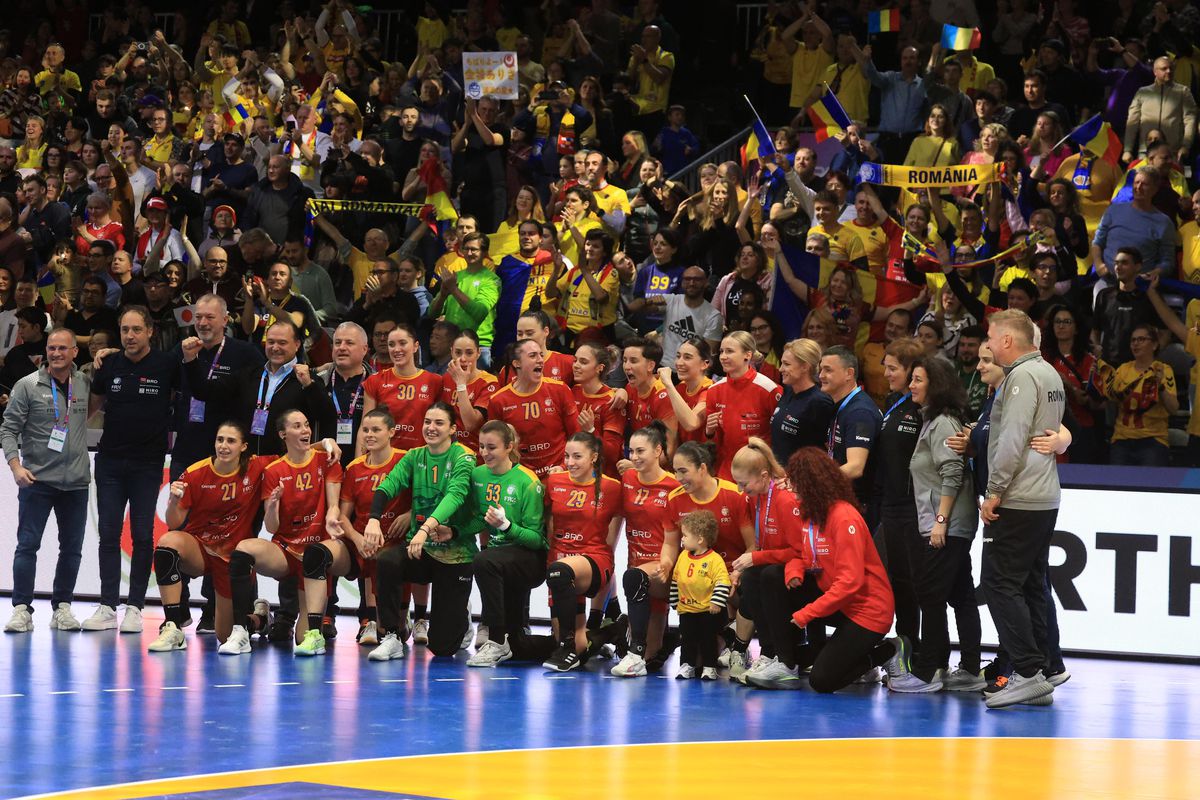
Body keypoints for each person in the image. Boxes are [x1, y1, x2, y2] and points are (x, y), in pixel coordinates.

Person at [747, 447, 905, 692]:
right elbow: (802, 554)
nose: (790, 488)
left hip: (867, 612)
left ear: (811, 484)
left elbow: (850, 583)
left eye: (795, 482)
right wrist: (794, 573)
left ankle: (887, 651)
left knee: (822, 681)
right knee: (770, 576)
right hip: (838, 602)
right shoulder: (812, 514)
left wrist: (806, 614)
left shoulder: (844, 518)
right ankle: (785, 664)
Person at [978, 310, 1066, 708]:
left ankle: (1028, 672)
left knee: (1000, 583)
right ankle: (1046, 668)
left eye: (993, 339)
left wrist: (994, 490)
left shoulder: (1020, 378)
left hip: (1019, 496)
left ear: (1008, 341)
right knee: (1031, 582)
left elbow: (1012, 440)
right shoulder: (1049, 373)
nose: (990, 346)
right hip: (1044, 495)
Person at [888, 357, 982, 693]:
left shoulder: (942, 422)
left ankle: (930, 671)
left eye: (917, 379)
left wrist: (940, 521)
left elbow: (952, 473)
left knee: (929, 592)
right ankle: (970, 667)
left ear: (936, 384)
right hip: (947, 522)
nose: (910, 385)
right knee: (959, 594)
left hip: (948, 523)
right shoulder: (933, 420)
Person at [83, 307, 180, 634]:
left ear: (150, 331)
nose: (130, 336)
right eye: (125, 330)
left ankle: (135, 607)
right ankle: (108, 605)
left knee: (142, 536)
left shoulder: (167, 364)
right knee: (108, 535)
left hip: (148, 464)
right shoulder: (109, 364)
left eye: (136, 329)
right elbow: (91, 407)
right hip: (109, 462)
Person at [219, 410, 343, 655]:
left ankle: (269, 622)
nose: (305, 430)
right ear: (283, 434)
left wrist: (331, 515)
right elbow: (272, 528)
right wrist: (273, 505)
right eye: (297, 426)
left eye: (307, 425)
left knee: (302, 640)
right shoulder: (274, 470)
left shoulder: (325, 459)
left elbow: (334, 504)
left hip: (317, 553)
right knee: (244, 549)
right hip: (286, 551)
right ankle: (241, 630)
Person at [362, 402, 478, 659]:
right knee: (388, 560)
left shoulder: (464, 457)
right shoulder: (414, 456)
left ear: (452, 429)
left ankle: (461, 615)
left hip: (456, 554)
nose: (431, 428)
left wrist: (425, 528)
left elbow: (456, 495)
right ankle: (392, 635)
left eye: (438, 423)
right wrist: (373, 519)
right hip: (421, 550)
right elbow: (388, 485)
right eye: (427, 422)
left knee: (443, 648)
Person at [148, 422, 277, 651]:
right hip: (200, 548)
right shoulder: (196, 473)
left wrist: (326, 443)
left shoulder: (256, 467)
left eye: (231, 441)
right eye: (220, 440)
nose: (224, 446)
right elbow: (174, 522)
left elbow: (295, 455)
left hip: (232, 559)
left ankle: (260, 618)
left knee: (224, 636)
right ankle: (173, 626)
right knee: (167, 543)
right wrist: (174, 501)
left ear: (244, 446)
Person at [1, 329, 90, 633]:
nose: (56, 354)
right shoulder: (26, 386)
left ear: (75, 352)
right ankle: (22, 609)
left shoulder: (85, 383)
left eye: (63, 348)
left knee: (72, 549)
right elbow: (8, 429)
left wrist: (105, 354)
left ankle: (62, 607)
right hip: (37, 480)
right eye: (52, 348)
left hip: (76, 482)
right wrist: (15, 466)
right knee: (27, 546)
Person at [663, 441, 754, 672]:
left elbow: (754, 545)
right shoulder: (674, 499)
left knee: (755, 582)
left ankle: (741, 646)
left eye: (683, 471)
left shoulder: (734, 495)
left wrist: (737, 572)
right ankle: (724, 637)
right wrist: (665, 564)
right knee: (701, 660)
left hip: (733, 572)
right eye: (675, 471)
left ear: (702, 468)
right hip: (697, 579)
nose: (678, 477)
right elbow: (670, 544)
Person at [183, 320, 335, 457]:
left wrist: (309, 385)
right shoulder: (249, 374)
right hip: (247, 464)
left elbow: (326, 416)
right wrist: (190, 360)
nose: (275, 348)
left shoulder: (308, 379)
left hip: (287, 467)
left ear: (297, 344)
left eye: (282, 343)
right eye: (270, 342)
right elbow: (205, 392)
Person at [465, 421, 548, 667]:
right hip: (499, 558)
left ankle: (496, 639)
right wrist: (453, 530)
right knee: (519, 645)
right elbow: (479, 521)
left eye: (492, 447)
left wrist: (506, 527)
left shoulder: (527, 481)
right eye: (481, 447)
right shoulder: (478, 475)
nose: (485, 453)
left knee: (483, 560)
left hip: (529, 559)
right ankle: (585, 642)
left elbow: (537, 540)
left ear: (509, 447)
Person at [539, 432, 624, 672]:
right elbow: (546, 521)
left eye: (577, 456)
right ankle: (610, 632)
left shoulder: (612, 487)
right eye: (567, 456)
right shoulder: (554, 482)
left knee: (560, 572)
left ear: (594, 457)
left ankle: (568, 647)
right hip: (559, 559)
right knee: (576, 645)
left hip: (594, 559)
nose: (570, 462)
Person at [611, 422, 682, 677]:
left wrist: (669, 564)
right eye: (631, 451)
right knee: (653, 656)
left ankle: (637, 653)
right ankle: (649, 647)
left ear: (658, 451)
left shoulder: (674, 486)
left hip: (665, 566)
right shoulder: (628, 478)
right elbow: (617, 514)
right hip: (636, 563)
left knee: (636, 579)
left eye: (641, 451)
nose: (634, 457)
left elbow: (681, 535)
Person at [336, 408, 411, 650]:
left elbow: (424, 497)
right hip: (364, 538)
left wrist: (410, 515)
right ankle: (368, 619)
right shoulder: (355, 467)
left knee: (389, 557)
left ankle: (404, 616)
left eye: (376, 430)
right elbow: (343, 517)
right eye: (365, 430)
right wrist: (357, 539)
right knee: (368, 550)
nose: (369, 434)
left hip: (397, 537)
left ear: (391, 432)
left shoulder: (406, 459)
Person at [870, 338, 924, 656]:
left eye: (893, 368)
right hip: (890, 504)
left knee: (909, 581)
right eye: (886, 367)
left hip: (912, 506)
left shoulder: (922, 407)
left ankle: (915, 649)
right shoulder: (894, 401)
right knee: (896, 579)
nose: (887, 373)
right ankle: (903, 644)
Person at [486, 338, 580, 477]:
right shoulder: (498, 401)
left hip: (559, 472)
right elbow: (496, 446)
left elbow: (576, 436)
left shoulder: (560, 390)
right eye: (532, 356)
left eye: (541, 355)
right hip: (521, 477)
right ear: (517, 363)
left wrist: (563, 466)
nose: (540, 360)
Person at [700, 331, 783, 480]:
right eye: (721, 351)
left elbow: (780, 436)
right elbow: (714, 442)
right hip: (727, 470)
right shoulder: (714, 390)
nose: (723, 356)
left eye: (729, 351)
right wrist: (709, 432)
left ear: (748, 355)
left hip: (760, 471)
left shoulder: (769, 389)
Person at [1096, 323, 1179, 466]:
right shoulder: (1123, 369)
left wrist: (1161, 386)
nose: (1136, 344)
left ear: (1154, 345)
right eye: (1133, 340)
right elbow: (1111, 399)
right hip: (1122, 439)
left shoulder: (1163, 370)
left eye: (1141, 339)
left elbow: (1174, 408)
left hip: (1153, 439)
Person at [361, 323, 444, 453]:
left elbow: (443, 426)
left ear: (415, 346)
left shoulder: (435, 381)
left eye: (402, 343)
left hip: (422, 459)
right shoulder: (375, 381)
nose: (396, 349)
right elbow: (365, 428)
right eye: (392, 344)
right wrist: (359, 463)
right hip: (385, 459)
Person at [819, 345, 883, 513]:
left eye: (828, 370)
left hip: (858, 506)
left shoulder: (859, 412)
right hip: (842, 499)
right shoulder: (841, 406)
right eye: (820, 370)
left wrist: (818, 481)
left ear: (849, 373)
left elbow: (855, 467)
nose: (821, 376)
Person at [670, 510, 730, 681]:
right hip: (687, 609)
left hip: (706, 611)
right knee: (687, 639)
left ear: (700, 539)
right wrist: (674, 601)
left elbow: (722, 581)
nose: (681, 539)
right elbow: (676, 579)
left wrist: (716, 602)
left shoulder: (714, 559)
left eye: (685, 535)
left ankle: (709, 666)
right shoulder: (683, 557)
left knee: (707, 640)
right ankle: (687, 665)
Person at [429, 232, 501, 368]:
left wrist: (454, 290)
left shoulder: (492, 279)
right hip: (452, 345)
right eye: (465, 248)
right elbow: (432, 314)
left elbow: (479, 312)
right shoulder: (456, 276)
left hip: (478, 346)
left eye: (474, 249)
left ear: (485, 252)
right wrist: (443, 294)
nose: (469, 253)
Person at [767, 338, 835, 466]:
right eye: (781, 363)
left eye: (787, 364)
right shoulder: (788, 391)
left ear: (805, 366)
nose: (780, 369)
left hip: (802, 479)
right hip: (778, 475)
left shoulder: (820, 402)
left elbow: (827, 449)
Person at [572, 342, 624, 472]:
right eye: (575, 360)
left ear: (599, 368)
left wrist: (590, 430)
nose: (576, 366)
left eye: (583, 362)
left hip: (602, 476)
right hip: (576, 470)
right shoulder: (574, 391)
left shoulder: (611, 400)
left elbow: (612, 454)